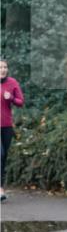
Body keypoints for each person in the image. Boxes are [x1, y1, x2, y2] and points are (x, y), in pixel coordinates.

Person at [0, 59, 25, 202]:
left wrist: (12, 99)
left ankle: (1, 186)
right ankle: (0, 190)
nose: (3, 69)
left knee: (3, 157)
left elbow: (21, 102)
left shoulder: (12, 83)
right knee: (0, 154)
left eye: (5, 67)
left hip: (6, 126)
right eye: (0, 67)